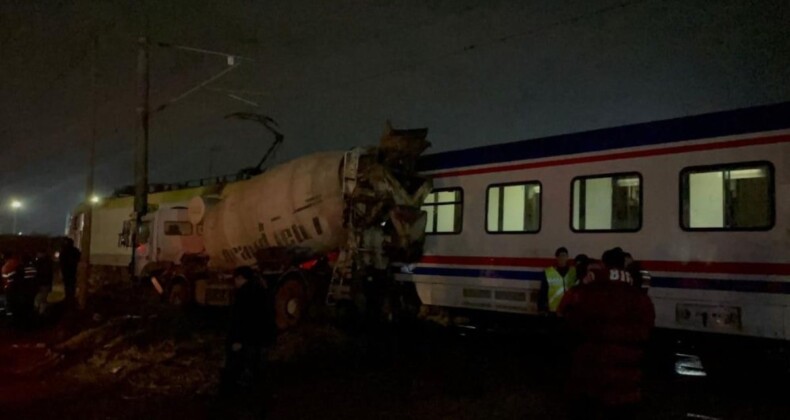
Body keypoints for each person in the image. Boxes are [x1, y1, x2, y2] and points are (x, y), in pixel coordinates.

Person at [559, 247, 655, 419]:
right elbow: (646, 329)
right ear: (624, 264)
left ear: (603, 265)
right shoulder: (640, 297)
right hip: (628, 381)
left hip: (593, 375)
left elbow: (567, 313)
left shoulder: (590, 290)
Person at [220, 266, 276, 395]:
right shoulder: (262, 291)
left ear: (240, 278)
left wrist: (237, 340)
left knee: (246, 367)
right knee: (260, 367)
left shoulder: (244, 294)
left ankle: (246, 396)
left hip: (249, 339)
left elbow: (241, 320)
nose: (235, 282)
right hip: (263, 337)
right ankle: (261, 394)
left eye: (236, 279)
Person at [539, 247, 577, 314]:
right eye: (560, 255)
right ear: (556, 257)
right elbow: (543, 291)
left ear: (567, 257)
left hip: (569, 308)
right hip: (554, 309)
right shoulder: (548, 272)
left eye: (564, 255)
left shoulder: (573, 272)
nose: (563, 258)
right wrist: (541, 308)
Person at [59, 238, 81, 304]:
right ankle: (70, 298)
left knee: (68, 286)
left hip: (68, 272)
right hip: (71, 272)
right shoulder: (75, 251)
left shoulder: (64, 251)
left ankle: (69, 298)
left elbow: (61, 263)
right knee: (70, 286)